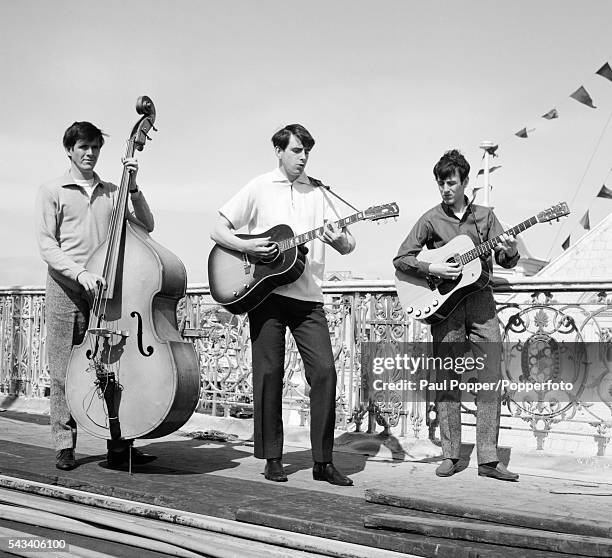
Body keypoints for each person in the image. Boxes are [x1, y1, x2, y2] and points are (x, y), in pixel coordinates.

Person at [211, 124, 356, 485]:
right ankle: (272, 457)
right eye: (296, 150)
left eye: (307, 150)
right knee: (269, 374)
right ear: (279, 151)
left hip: (309, 298)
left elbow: (349, 244)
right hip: (267, 294)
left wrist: (340, 242)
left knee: (325, 372)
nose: (303, 157)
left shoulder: (319, 192)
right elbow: (219, 229)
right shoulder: (259, 187)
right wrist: (249, 248)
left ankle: (323, 462)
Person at [36, 121, 157, 471]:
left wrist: (133, 188)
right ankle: (64, 444)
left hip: (105, 290)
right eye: (83, 147)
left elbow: (146, 225)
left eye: (95, 148)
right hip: (66, 287)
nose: (89, 153)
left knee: (114, 367)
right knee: (62, 369)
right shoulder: (52, 190)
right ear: (70, 150)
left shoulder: (111, 190)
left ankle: (120, 444)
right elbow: (47, 245)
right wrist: (80, 273)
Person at [393, 149, 520, 481]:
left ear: (465, 182)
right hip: (446, 308)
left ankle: (489, 460)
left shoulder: (486, 217)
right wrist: (432, 266)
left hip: (481, 302)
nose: (445, 189)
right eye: (440, 184)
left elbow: (507, 260)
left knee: (490, 375)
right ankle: (451, 454)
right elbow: (402, 259)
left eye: (451, 183)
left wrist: (508, 248)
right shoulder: (431, 218)